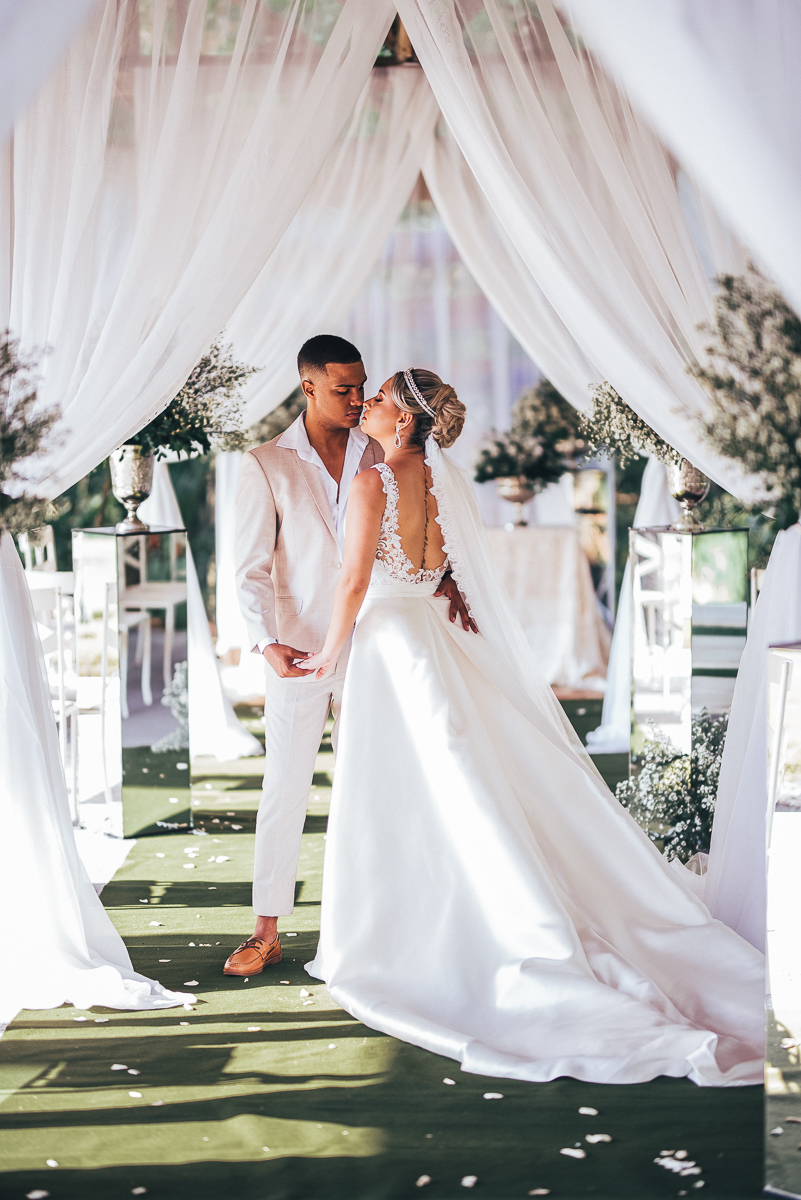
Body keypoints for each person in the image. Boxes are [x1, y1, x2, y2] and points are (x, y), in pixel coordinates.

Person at [301, 367, 764, 1087]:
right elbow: (443, 566)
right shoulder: (441, 482)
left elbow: (353, 581)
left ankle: (397, 927)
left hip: (389, 641)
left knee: (398, 786)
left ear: (404, 419)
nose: (367, 405)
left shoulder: (372, 482)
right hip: (428, 632)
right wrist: (437, 591)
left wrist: (330, 652)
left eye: (381, 397)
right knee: (448, 773)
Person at [224, 338, 472, 977]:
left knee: (380, 784)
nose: (359, 398)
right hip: (300, 648)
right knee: (285, 785)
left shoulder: (382, 448)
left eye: (364, 386)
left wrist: (445, 580)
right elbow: (248, 569)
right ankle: (265, 929)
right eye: (344, 389)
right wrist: (265, 642)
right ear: (308, 387)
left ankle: (386, 921)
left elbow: (417, 530)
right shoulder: (266, 464)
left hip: (379, 650)